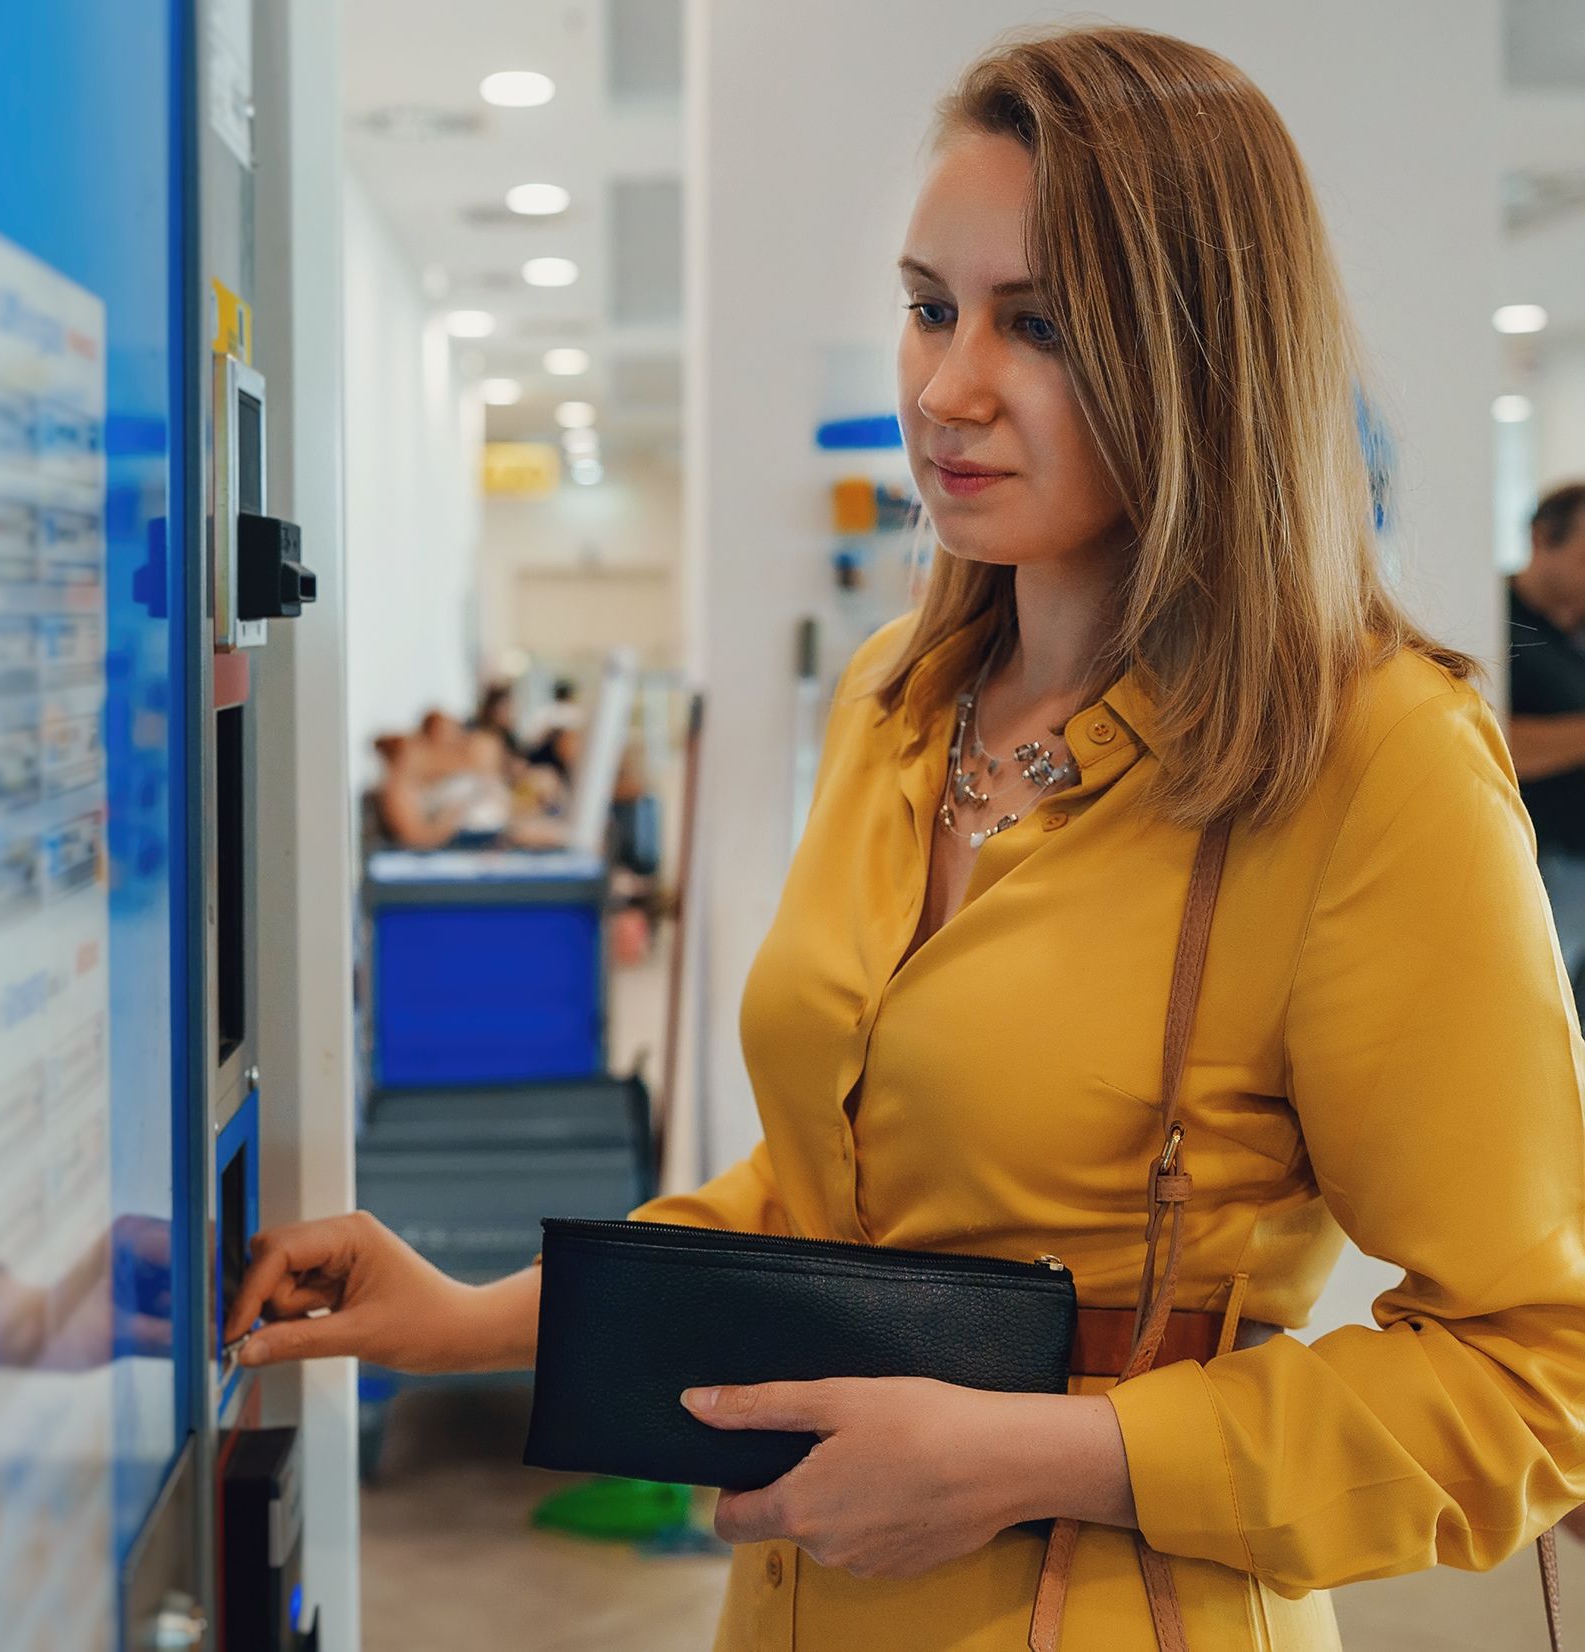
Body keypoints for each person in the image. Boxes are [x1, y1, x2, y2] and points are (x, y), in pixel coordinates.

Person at [227, 26, 1585, 1652]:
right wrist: (467, 1319)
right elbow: (825, 1205)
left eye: (1039, 325)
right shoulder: (896, 701)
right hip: (797, 1604)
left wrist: (1038, 1453)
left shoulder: (1366, 760)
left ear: (1198, 353)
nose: (945, 387)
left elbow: (1535, 1372)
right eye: (929, 306)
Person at [1506, 481, 1585, 1003]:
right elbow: (1495, 740)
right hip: (1544, 860)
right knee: (1537, 999)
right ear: (1542, 538)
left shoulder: (1570, 630)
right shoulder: (1494, 618)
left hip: (1574, 860)